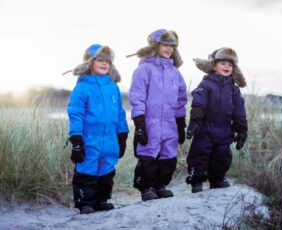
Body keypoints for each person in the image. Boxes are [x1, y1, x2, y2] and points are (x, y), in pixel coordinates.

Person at [67, 44, 129, 214]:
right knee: (87, 168)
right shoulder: (82, 88)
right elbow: (76, 113)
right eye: (100, 60)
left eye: (108, 61)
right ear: (89, 62)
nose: (105, 64)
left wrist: (122, 134)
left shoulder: (112, 87)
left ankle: (101, 200)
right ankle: (85, 202)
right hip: (89, 138)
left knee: (107, 169)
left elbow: (119, 112)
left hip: (110, 138)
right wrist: (76, 139)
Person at [128, 29, 187, 201]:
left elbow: (181, 97)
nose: (169, 49)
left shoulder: (175, 72)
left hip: (169, 122)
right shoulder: (144, 70)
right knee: (148, 154)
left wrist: (180, 121)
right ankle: (147, 188)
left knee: (168, 155)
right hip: (150, 121)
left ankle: (161, 185)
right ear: (155, 45)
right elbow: (137, 96)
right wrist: (139, 122)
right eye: (165, 44)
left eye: (172, 46)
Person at [186, 47, 248, 193]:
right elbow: (199, 104)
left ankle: (217, 179)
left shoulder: (234, 90)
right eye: (223, 63)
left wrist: (241, 129)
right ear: (213, 66)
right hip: (205, 129)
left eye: (230, 65)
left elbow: (239, 110)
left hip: (225, 130)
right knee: (200, 154)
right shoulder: (206, 85)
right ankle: (197, 181)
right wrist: (195, 122)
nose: (227, 67)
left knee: (222, 156)